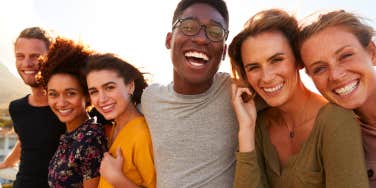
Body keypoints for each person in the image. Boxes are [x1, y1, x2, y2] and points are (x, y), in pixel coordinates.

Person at [228, 9, 369, 187]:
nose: (267, 77)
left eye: (276, 60)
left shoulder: (336, 120)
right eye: (254, 67)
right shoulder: (259, 125)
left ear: (299, 60)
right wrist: (246, 130)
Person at [141, 0, 239, 187]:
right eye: (188, 26)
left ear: (224, 51)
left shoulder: (237, 92)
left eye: (216, 32)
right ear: (169, 40)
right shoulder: (150, 99)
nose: (202, 39)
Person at [299, 10, 376, 187]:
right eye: (319, 68)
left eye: (345, 56)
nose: (336, 75)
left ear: (371, 52)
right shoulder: (334, 137)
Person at [0, 27, 65, 188]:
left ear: (51, 58)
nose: (26, 63)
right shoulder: (17, 108)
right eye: (20, 56)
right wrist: (5, 163)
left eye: (35, 56)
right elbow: (26, 140)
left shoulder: (67, 107)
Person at [37, 38, 107, 187]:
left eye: (70, 93)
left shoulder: (90, 139)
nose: (61, 103)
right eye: (53, 94)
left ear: (86, 95)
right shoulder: (71, 135)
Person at [85, 53, 155, 188]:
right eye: (94, 91)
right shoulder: (114, 128)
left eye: (109, 87)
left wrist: (116, 178)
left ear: (130, 86)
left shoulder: (142, 134)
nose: (102, 99)